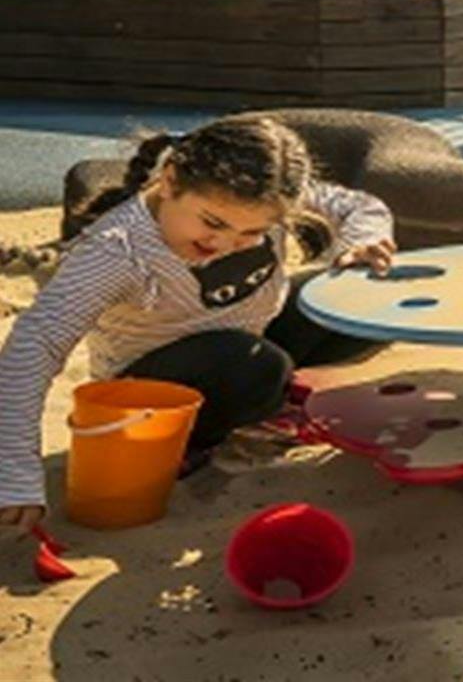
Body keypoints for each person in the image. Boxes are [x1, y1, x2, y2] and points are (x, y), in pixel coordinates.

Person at [0, 119, 396, 541]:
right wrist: (13, 472)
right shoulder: (116, 251)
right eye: (213, 224)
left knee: (366, 301)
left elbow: (361, 206)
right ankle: (200, 440)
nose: (225, 244)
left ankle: (269, 393)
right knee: (255, 368)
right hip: (155, 387)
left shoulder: (265, 199)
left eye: (254, 233)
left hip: (249, 336)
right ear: (170, 182)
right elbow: (33, 345)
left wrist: (359, 242)